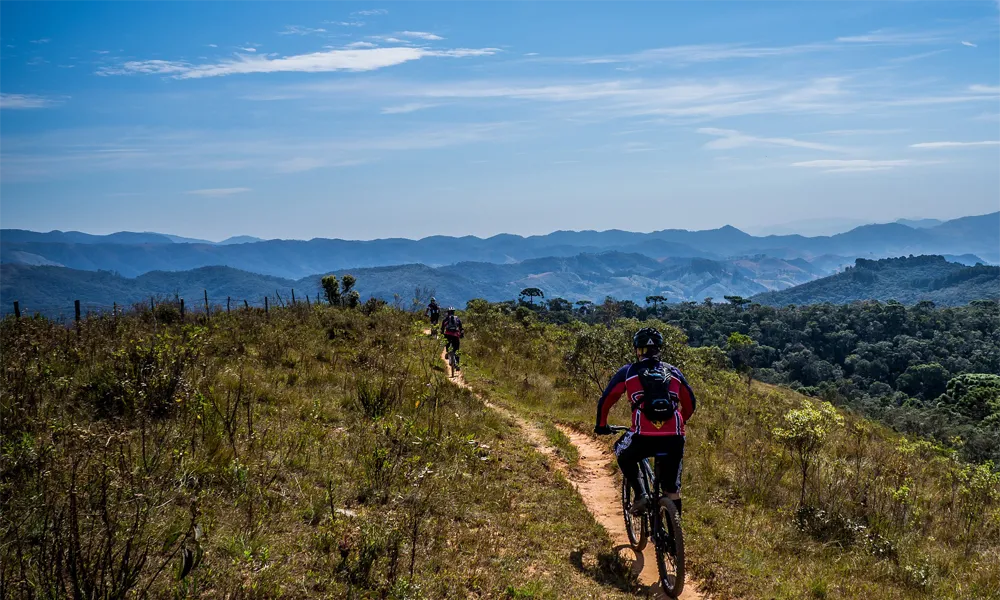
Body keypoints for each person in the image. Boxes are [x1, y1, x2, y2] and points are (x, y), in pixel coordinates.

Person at [594, 327, 696, 517]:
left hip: (642, 437)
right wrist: (680, 422)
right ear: (659, 349)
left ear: (637, 350)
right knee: (672, 489)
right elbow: (690, 403)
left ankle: (641, 494)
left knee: (621, 451)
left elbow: (606, 399)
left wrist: (601, 425)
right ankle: (674, 539)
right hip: (674, 437)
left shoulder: (628, 372)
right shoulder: (674, 372)